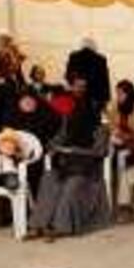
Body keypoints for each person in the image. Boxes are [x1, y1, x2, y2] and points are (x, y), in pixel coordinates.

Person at [29, 76, 110, 241]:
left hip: (88, 170)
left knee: (71, 185)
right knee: (49, 178)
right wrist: (52, 147)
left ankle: (61, 227)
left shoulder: (100, 126)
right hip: (67, 165)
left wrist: (77, 150)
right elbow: (59, 138)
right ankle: (38, 225)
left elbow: (100, 151)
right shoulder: (69, 121)